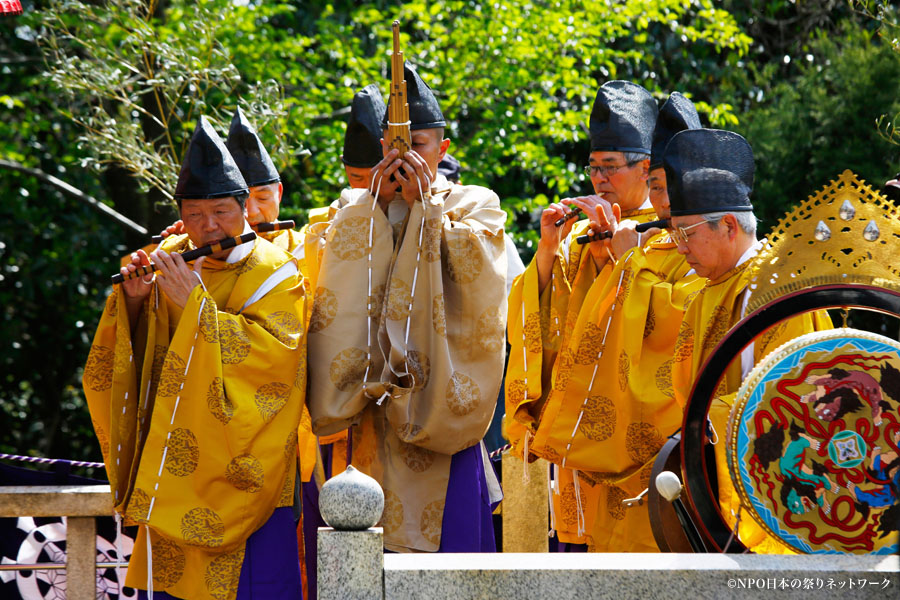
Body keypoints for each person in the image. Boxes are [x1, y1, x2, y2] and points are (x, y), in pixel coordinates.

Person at [83, 116, 306, 600]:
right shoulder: (169, 255)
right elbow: (132, 359)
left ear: (246, 206)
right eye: (195, 213)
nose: (209, 225)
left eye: (222, 211)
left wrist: (195, 309)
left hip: (247, 468)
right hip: (176, 466)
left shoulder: (275, 272)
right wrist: (138, 300)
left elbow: (276, 367)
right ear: (180, 213)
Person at [305, 64, 506, 553]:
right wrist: (371, 211)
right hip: (367, 421)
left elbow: (483, 284)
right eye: (395, 146)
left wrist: (426, 210)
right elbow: (322, 287)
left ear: (443, 148)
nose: (405, 157)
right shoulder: (349, 210)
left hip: (439, 415)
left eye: (418, 145)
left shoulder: (474, 203)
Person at [505, 80, 661, 551]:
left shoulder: (670, 236)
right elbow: (541, 327)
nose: (599, 180)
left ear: (646, 168)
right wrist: (549, 256)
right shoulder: (581, 237)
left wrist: (621, 259)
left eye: (611, 167)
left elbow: (651, 332)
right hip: (576, 443)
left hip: (633, 438)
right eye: (594, 168)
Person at [666, 128, 831, 553]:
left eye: (686, 233)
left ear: (727, 225)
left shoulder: (776, 284)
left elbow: (788, 397)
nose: (678, 248)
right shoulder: (708, 291)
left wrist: (701, 425)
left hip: (784, 483)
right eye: (673, 234)